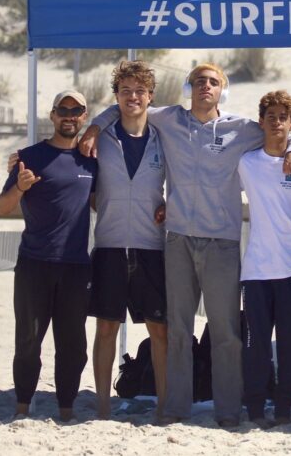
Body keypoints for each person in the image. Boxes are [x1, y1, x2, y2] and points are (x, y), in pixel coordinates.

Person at [79, 62, 291, 428]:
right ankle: (175, 408)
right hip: (178, 241)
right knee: (178, 331)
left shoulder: (241, 129)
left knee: (226, 333)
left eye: (213, 82)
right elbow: (125, 106)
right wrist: (93, 127)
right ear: (189, 88)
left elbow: (281, 130)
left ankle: (228, 411)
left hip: (222, 243)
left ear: (222, 91)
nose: (205, 86)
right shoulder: (168, 119)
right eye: (199, 81)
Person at [0, 90, 97, 421]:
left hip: (76, 266)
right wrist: (21, 186)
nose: (69, 116)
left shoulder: (92, 160)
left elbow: (101, 202)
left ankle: (66, 410)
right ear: (52, 116)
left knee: (73, 346)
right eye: (62, 110)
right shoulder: (29, 157)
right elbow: (3, 207)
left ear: (84, 117)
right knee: (28, 340)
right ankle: (22, 408)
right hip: (35, 264)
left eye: (76, 110)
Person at [86, 61, 169, 421]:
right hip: (109, 245)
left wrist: (170, 204)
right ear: (116, 96)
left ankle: (164, 407)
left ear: (151, 96)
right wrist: (94, 125)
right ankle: (103, 407)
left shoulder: (164, 136)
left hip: (152, 246)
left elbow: (184, 179)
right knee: (106, 328)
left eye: (140, 91)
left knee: (160, 330)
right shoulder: (101, 137)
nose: (133, 97)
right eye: (125, 91)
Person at [237, 90, 291, 427]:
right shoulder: (247, 163)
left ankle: (286, 406)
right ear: (261, 121)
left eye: (283, 118)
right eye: (270, 117)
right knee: (255, 345)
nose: (276, 122)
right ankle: (256, 409)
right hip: (256, 270)